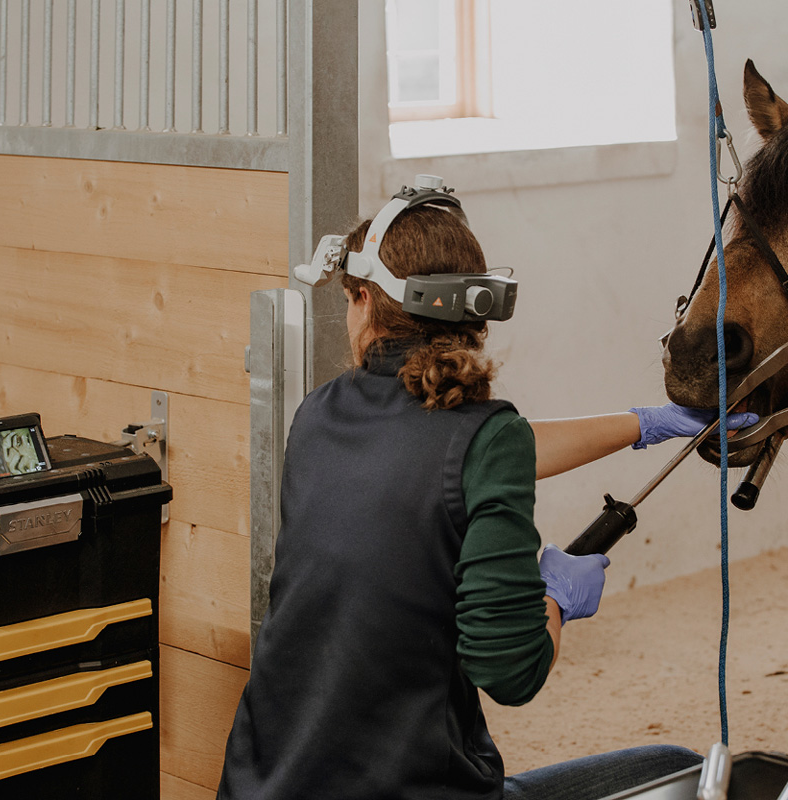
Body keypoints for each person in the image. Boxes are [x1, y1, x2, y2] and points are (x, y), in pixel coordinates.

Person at [217, 186, 756, 800]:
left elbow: (466, 457)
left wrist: (646, 423)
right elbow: (510, 671)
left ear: (366, 300)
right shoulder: (482, 440)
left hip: (259, 785)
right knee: (680, 770)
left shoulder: (318, 417)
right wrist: (554, 597)